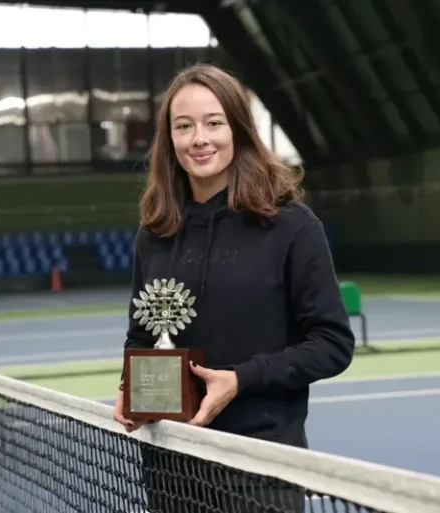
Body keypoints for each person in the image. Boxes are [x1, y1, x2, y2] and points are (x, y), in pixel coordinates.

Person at [112, 63, 355, 512]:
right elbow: (143, 334)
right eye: (183, 127)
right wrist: (130, 384)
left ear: (239, 130)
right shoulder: (155, 233)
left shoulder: (291, 226)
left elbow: (332, 344)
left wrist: (241, 379)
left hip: (260, 467)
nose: (199, 138)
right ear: (170, 140)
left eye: (213, 123)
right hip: (171, 465)